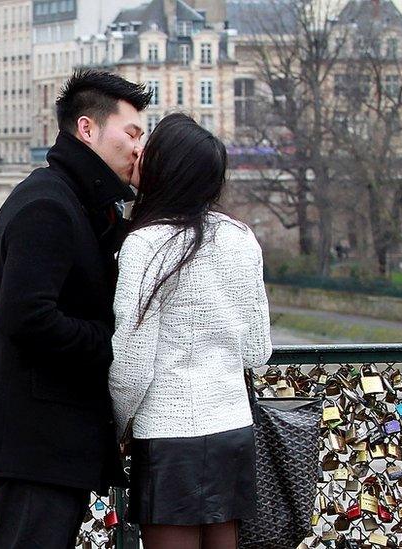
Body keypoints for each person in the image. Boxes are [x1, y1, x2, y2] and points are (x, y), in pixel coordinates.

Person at [0, 70, 152, 548]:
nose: (138, 147)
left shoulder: (77, 202)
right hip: (38, 439)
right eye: (132, 132)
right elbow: (29, 318)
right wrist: (112, 344)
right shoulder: (49, 206)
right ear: (87, 129)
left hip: (51, 438)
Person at [109, 113, 273, 549]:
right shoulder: (240, 238)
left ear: (167, 171)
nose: (139, 153)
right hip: (232, 429)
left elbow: (131, 363)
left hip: (169, 434)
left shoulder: (146, 245)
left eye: (151, 149)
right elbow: (257, 349)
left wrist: (116, 425)